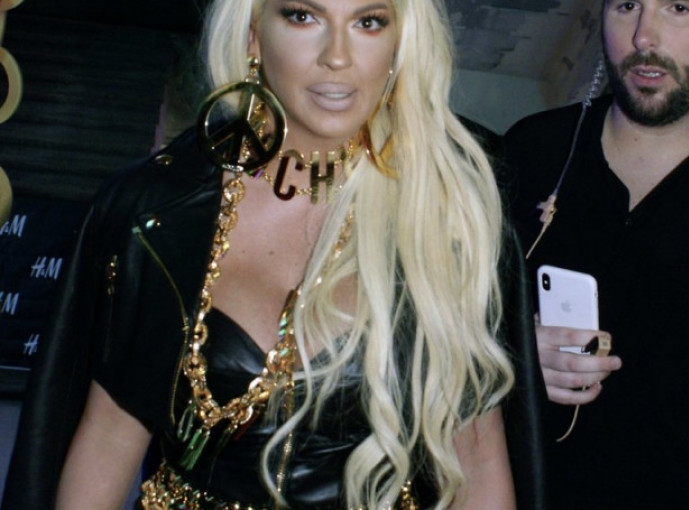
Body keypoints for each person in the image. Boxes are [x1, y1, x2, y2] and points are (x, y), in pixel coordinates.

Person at [2, 0, 548, 509]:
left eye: (369, 21)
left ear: (401, 40)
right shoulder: (155, 212)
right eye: (303, 16)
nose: (337, 56)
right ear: (252, 34)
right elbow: (109, 435)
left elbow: (477, 456)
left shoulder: (449, 214)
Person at [500, 0, 689, 508]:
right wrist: (508, 358)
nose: (644, 36)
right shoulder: (532, 151)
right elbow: (439, 341)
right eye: (627, 5)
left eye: (679, 7)